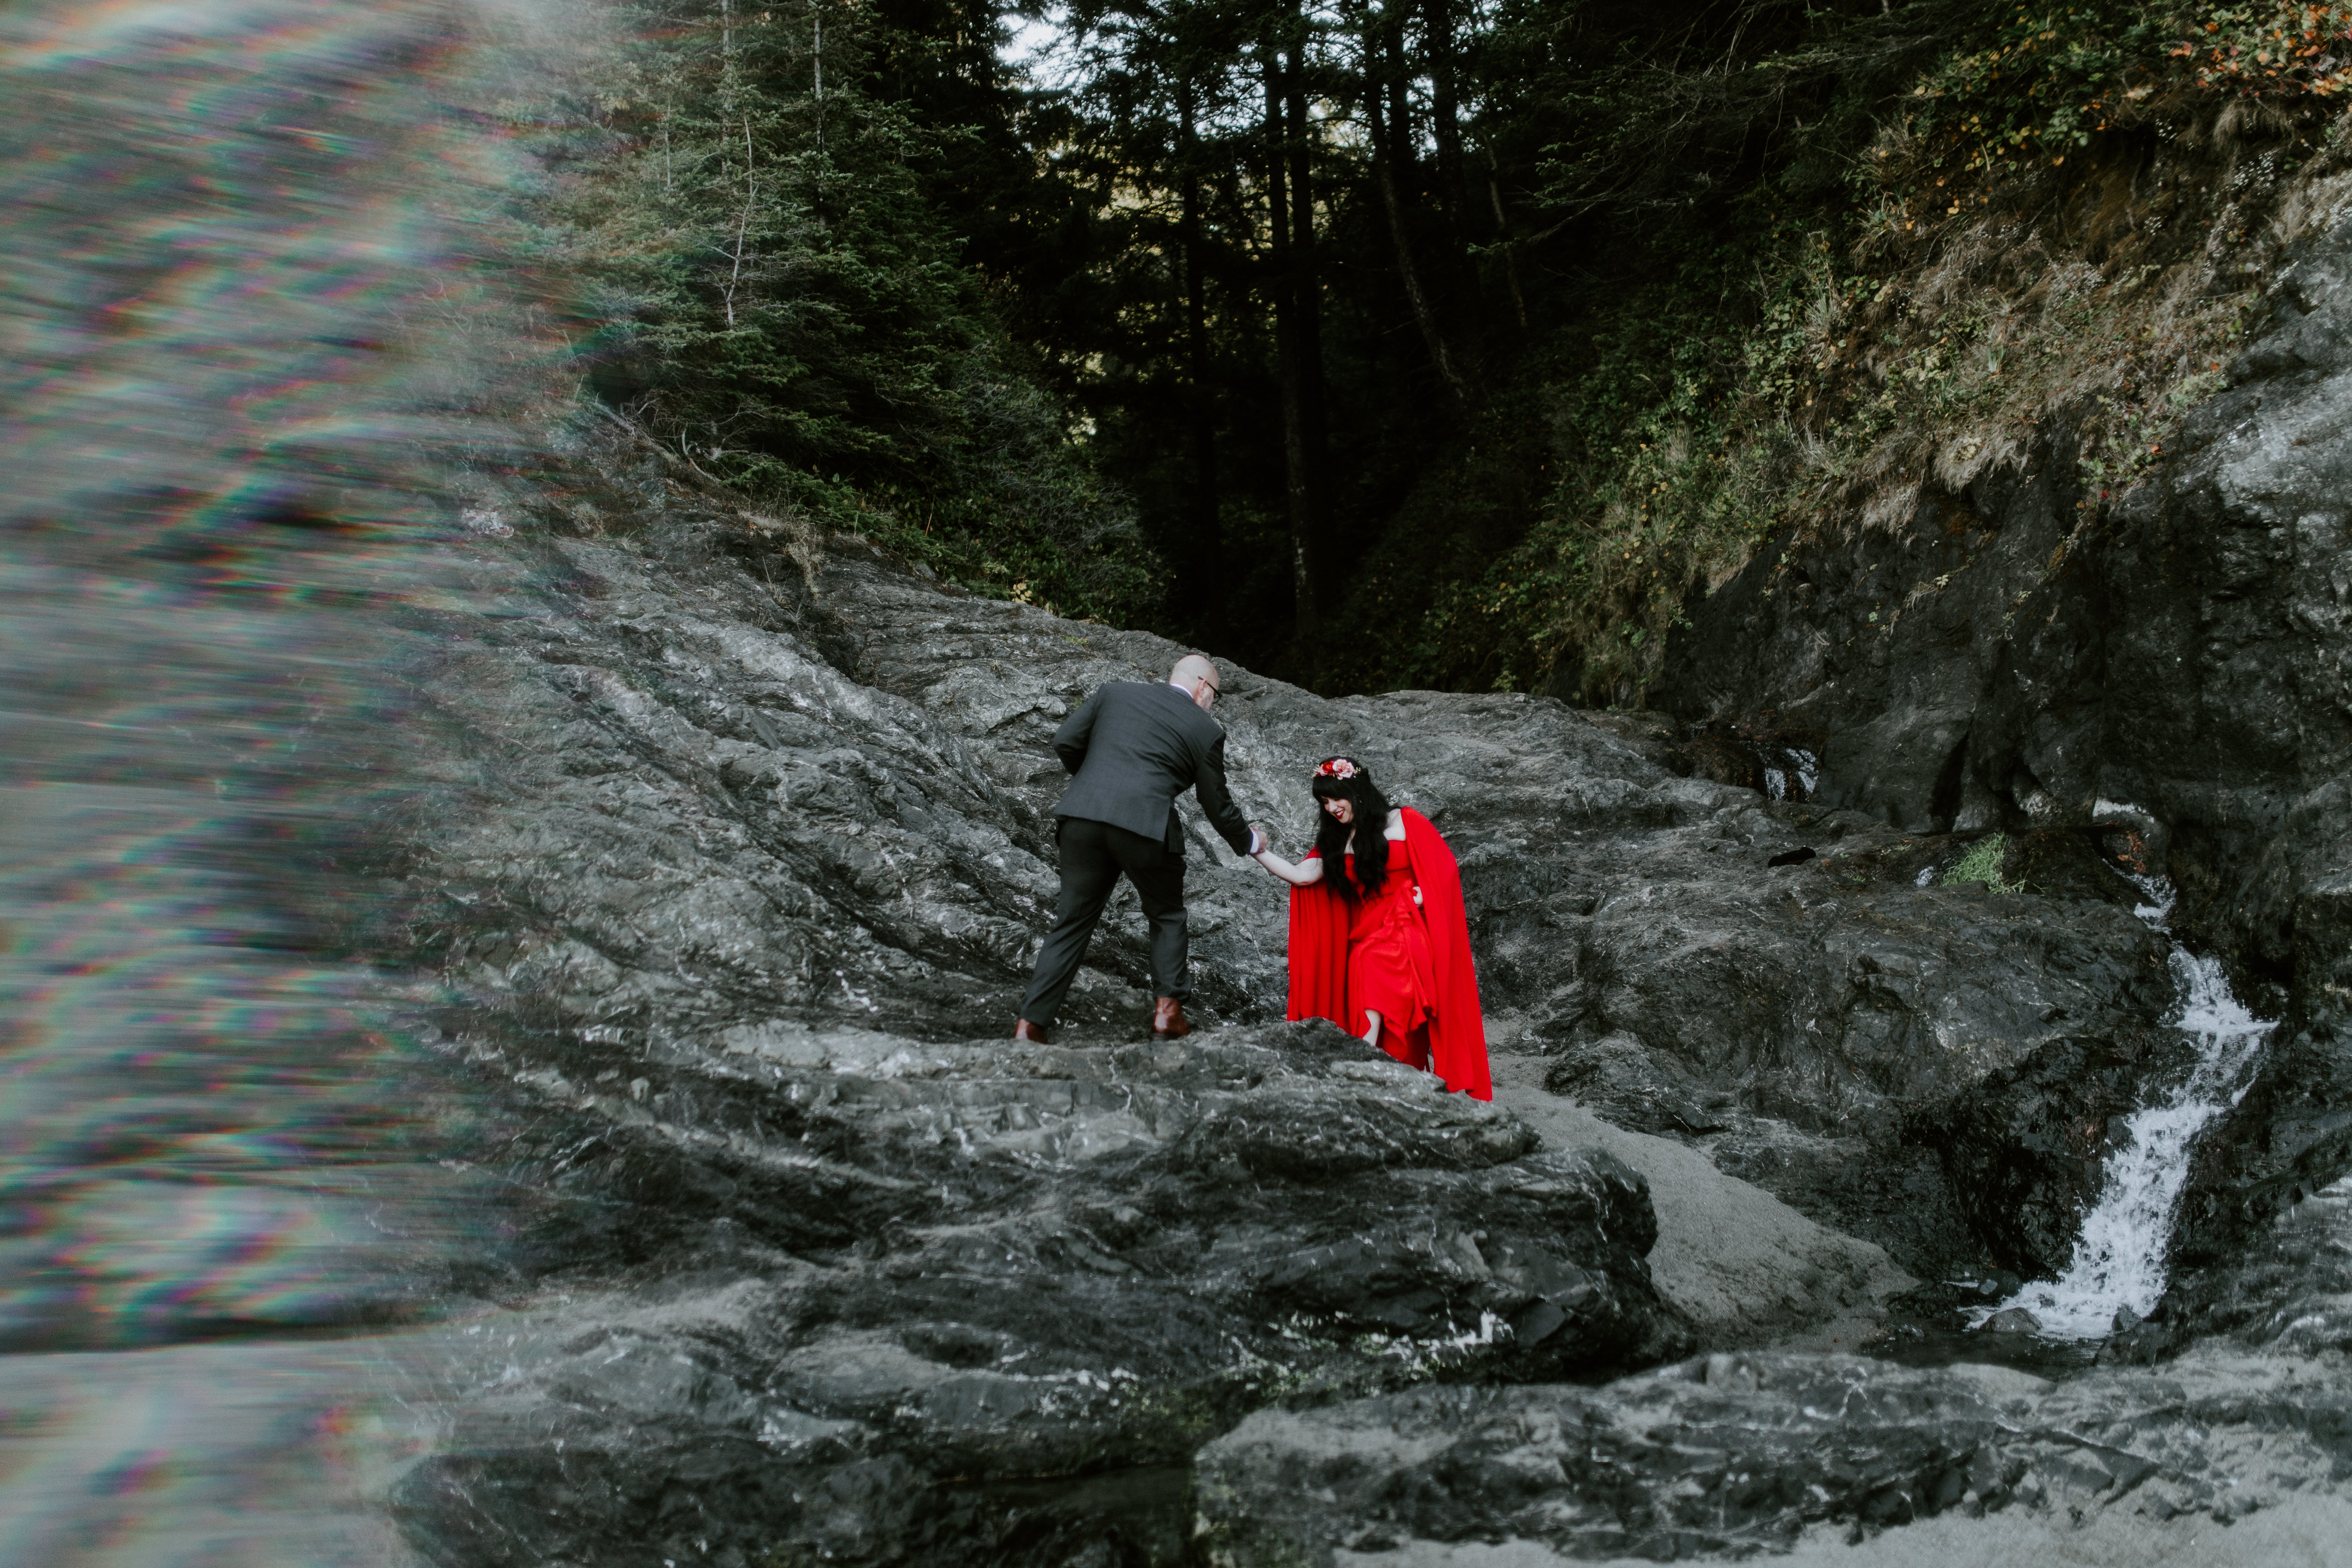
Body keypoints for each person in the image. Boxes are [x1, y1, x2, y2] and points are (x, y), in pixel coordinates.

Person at [1013, 654, 1266, 1043]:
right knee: (1166, 914)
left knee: (1072, 921)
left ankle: (1030, 1024)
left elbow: (1065, 740)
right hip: (1146, 828)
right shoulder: (1205, 728)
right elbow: (1216, 803)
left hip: (1083, 817)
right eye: (1216, 693)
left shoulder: (1114, 694)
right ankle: (1167, 1015)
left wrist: (1097, 784)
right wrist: (1249, 840)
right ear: (1203, 686)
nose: (1214, 701)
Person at [1248, 757, 1491, 1100]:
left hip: (1408, 925)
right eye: (1324, 802)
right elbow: (1301, 876)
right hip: (1368, 931)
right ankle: (1382, 1070)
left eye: (1337, 798)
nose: (1332, 807)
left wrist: (1423, 894)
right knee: (1367, 962)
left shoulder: (1405, 820)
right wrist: (1252, 846)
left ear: (1357, 790)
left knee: (1376, 961)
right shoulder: (1337, 839)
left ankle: (1366, 1060)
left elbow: (1445, 870)